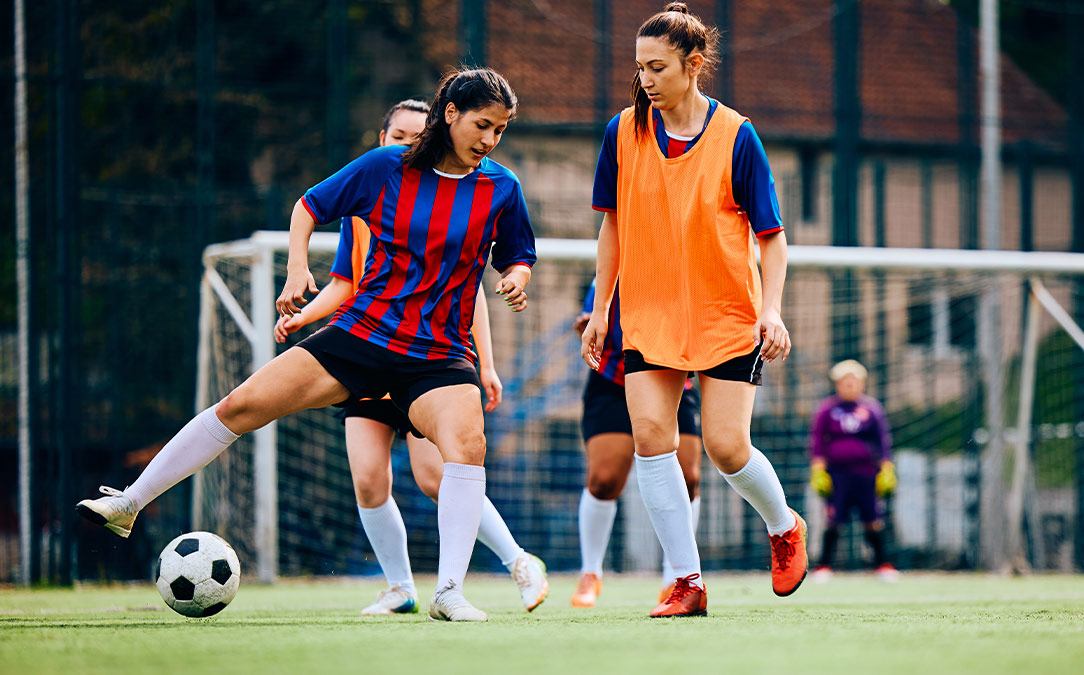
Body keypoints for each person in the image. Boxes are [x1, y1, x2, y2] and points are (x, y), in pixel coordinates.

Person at [77, 68, 535, 622]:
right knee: (239, 407)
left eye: (501, 130)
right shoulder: (385, 167)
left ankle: (448, 592)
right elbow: (308, 206)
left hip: (439, 354)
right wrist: (297, 271)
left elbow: (516, 255)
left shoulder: (501, 187)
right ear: (451, 114)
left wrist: (516, 278)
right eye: (483, 125)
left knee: (467, 448)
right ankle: (129, 502)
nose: (489, 140)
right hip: (363, 335)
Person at [272, 99, 548, 615]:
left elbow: (470, 293)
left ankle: (516, 562)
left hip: (428, 361)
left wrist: (485, 364)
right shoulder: (367, 201)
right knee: (368, 477)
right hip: (365, 350)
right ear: (381, 138)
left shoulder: (475, 193)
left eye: (413, 137)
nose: (405, 145)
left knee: (435, 475)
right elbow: (343, 285)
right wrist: (304, 318)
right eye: (397, 135)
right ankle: (401, 587)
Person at [580, 3, 807, 618]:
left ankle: (784, 526)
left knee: (726, 449)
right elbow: (613, 226)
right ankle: (687, 581)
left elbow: (772, 234)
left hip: (724, 311)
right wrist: (602, 307)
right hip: (646, 313)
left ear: (693, 64)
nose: (646, 79)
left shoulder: (737, 134)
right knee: (651, 441)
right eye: (640, 67)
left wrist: (774, 311)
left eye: (657, 67)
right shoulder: (622, 131)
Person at [570, 280, 703, 608]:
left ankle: (676, 576)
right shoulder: (613, 270)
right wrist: (590, 324)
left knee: (689, 478)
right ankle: (591, 573)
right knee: (604, 480)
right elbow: (591, 315)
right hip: (613, 378)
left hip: (672, 376)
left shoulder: (686, 266)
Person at [808, 360, 899, 583]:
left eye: (853, 381)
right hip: (837, 475)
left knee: (873, 519)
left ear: (862, 383)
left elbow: (882, 441)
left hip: (867, 474)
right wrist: (818, 468)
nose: (849, 385)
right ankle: (824, 566)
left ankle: (883, 565)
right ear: (837, 384)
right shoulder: (827, 409)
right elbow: (818, 440)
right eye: (844, 381)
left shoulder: (872, 409)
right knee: (833, 519)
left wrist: (886, 467)